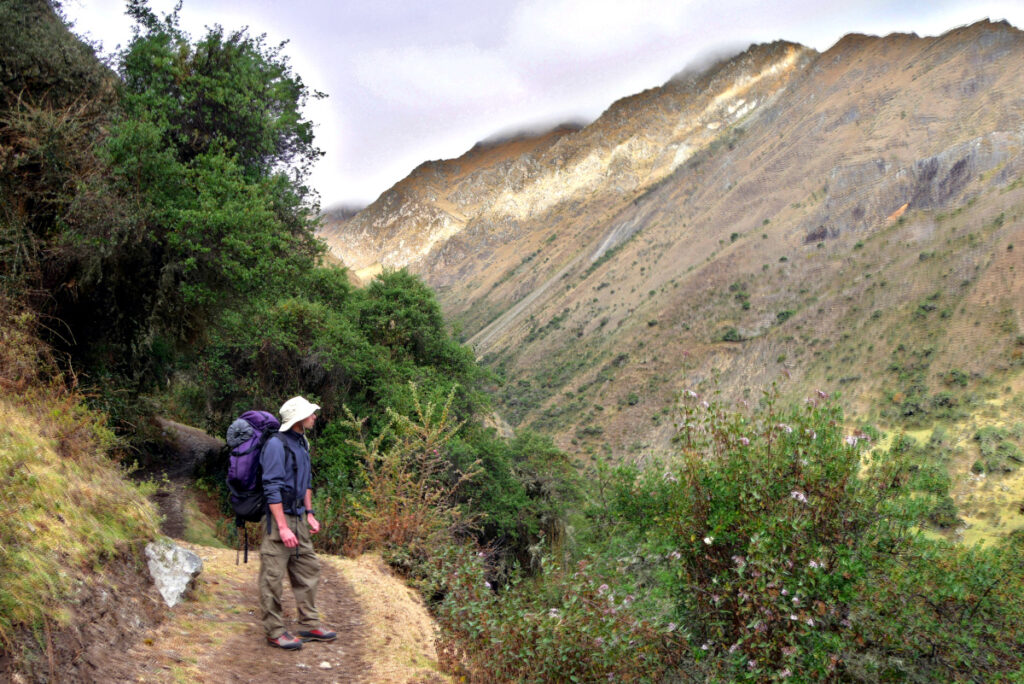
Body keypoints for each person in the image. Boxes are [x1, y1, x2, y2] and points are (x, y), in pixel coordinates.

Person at [259, 395, 336, 649]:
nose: (315, 416)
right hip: (278, 520)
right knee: (272, 576)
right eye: (311, 413)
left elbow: (306, 482)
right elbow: (271, 488)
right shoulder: (275, 445)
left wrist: (310, 513)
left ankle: (309, 623)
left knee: (309, 568)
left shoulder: (302, 443)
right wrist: (282, 527)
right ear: (298, 418)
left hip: (300, 518)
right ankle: (275, 631)